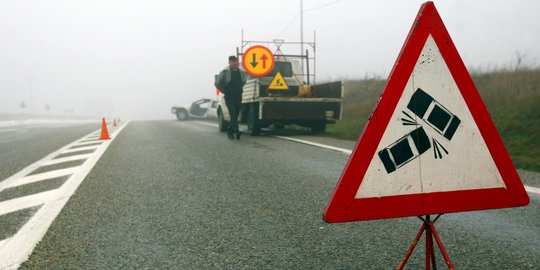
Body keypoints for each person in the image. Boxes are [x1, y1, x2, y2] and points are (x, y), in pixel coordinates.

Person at [214, 55, 247, 140]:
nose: (235, 63)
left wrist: (239, 87)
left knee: (235, 115)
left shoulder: (241, 71)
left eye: (236, 61)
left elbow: (244, 81)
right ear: (230, 62)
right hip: (229, 96)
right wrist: (223, 90)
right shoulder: (225, 72)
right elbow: (217, 83)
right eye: (233, 62)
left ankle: (230, 131)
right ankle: (236, 131)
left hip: (238, 95)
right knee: (232, 113)